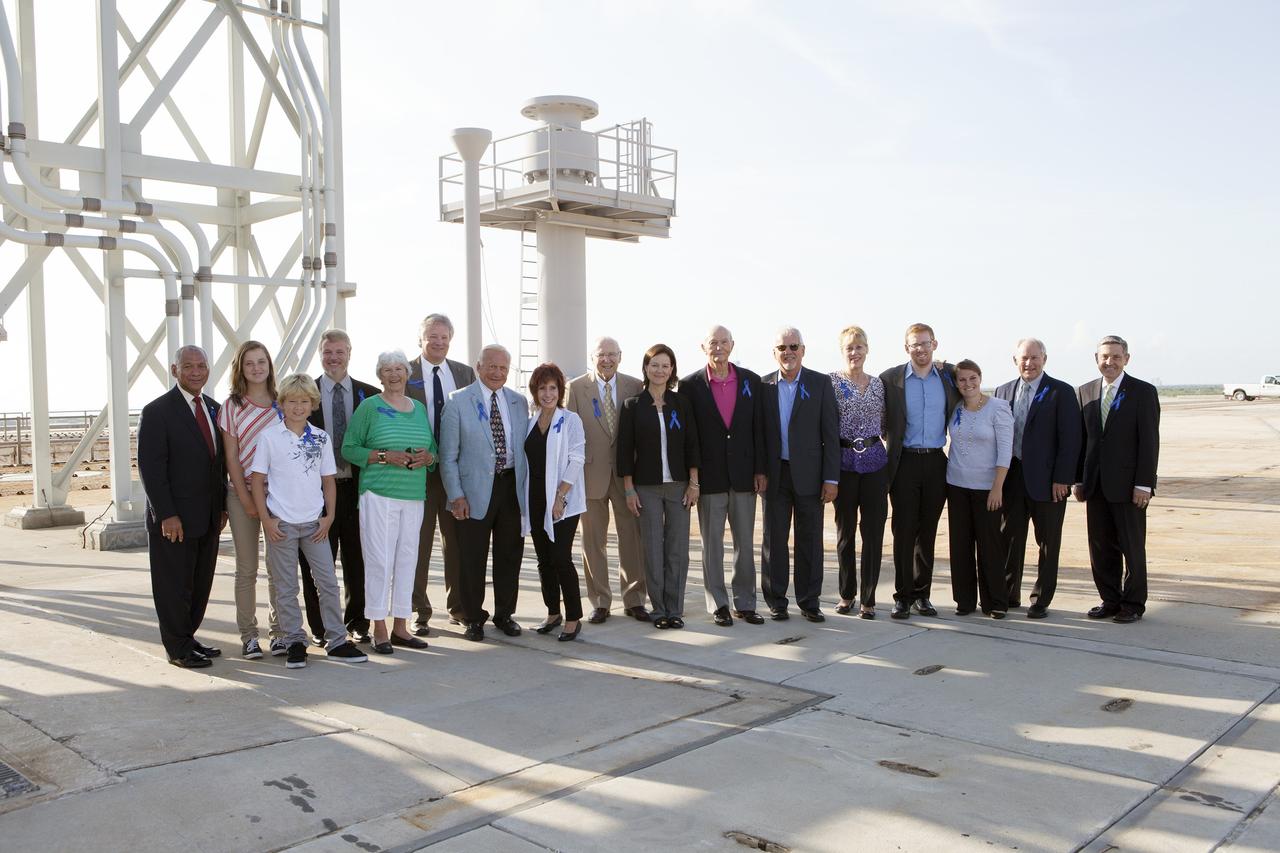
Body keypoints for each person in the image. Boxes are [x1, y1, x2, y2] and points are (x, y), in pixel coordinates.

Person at [249, 374, 368, 668]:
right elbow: (257, 480)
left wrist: (329, 517)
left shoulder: (321, 438)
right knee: (286, 586)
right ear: (282, 404)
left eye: (304, 401)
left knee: (328, 583)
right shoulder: (269, 437)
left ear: (312, 404)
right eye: (292, 401)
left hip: (315, 524)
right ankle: (294, 642)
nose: (298, 407)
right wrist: (267, 520)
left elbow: (328, 480)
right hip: (282, 524)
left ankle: (337, 641)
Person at [137, 345, 228, 668]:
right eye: (187, 366)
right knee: (173, 584)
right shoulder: (157, 411)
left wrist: (222, 508)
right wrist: (166, 514)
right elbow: (151, 468)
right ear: (174, 370)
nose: (195, 371)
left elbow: (218, 465)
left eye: (201, 365)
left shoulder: (216, 409)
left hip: (208, 516)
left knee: (199, 583)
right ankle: (177, 648)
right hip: (174, 518)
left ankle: (188, 637)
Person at [341, 350, 436, 654]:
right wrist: (385, 456)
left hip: (413, 495)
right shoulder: (369, 407)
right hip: (379, 495)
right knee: (380, 561)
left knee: (408, 560)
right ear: (379, 375)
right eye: (387, 370)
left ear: (408, 374)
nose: (394, 375)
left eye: (399, 369)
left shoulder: (419, 408)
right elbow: (349, 448)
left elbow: (433, 451)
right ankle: (379, 627)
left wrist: (428, 458)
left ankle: (401, 627)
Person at [439, 344, 530, 642]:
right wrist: (456, 496)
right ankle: (473, 618)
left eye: (503, 368)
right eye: (492, 366)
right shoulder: (458, 401)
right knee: (471, 558)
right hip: (473, 490)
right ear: (478, 367)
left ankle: (505, 614)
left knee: (509, 555)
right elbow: (448, 455)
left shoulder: (518, 402)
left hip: (511, 488)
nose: (497, 373)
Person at [296, 330, 380, 644]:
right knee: (317, 562)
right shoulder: (306, 394)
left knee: (358, 559)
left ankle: (358, 621)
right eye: (328, 352)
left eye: (339, 352)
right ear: (321, 354)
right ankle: (320, 627)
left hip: (359, 490)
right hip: (316, 494)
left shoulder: (369, 396)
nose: (334, 358)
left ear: (349, 353)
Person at [680, 325, 767, 626]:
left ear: (733, 345)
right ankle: (718, 603)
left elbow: (758, 429)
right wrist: (693, 479)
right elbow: (689, 437)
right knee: (712, 545)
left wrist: (760, 470)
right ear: (703, 347)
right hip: (710, 478)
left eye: (724, 342)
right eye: (712, 343)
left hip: (744, 477)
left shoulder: (751, 382)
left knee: (745, 543)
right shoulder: (690, 385)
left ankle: (745, 602)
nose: (718, 348)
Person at [993, 338, 1081, 619]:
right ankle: (1009, 593)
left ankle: (1041, 598)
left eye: (1034, 358)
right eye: (1023, 358)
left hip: (1049, 481)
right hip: (1012, 478)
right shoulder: (1002, 391)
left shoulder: (1062, 392)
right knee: (1009, 538)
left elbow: (1071, 440)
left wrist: (1063, 479)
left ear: (1045, 358)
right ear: (1014, 360)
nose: (1029, 363)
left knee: (1048, 541)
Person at [1075, 335, 1160, 624]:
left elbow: (1149, 442)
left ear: (1126, 358)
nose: (1109, 362)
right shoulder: (1085, 392)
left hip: (1129, 487)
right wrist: (1078, 480)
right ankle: (1110, 599)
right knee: (1100, 547)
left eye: (1115, 356)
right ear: (1096, 358)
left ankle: (1133, 603)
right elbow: (1082, 441)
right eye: (1104, 357)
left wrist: (1144, 484)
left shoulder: (1143, 392)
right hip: (1095, 485)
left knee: (1132, 547)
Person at [565, 337, 649, 624]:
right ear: (593, 357)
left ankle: (635, 599)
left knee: (632, 540)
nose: (607, 360)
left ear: (621, 357)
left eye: (612, 355)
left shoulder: (635, 386)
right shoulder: (575, 388)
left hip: (627, 477)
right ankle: (600, 601)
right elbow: (570, 436)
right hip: (590, 476)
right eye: (601, 355)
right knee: (593, 543)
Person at [880, 323, 961, 620]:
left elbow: (968, 373)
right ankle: (902, 596)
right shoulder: (890, 379)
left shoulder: (948, 377)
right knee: (903, 530)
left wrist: (949, 365)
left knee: (927, 532)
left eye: (926, 343)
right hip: (904, 463)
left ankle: (921, 595)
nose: (921, 349)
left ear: (935, 344)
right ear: (906, 348)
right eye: (915, 344)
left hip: (937, 462)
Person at [617, 343, 700, 629]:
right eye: (655, 365)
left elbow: (692, 445)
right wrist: (629, 489)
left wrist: (693, 483)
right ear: (646, 368)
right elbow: (625, 451)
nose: (660, 370)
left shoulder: (682, 403)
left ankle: (675, 609)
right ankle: (659, 610)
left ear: (672, 370)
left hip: (679, 486)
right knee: (652, 549)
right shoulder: (632, 406)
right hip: (646, 487)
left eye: (666, 365)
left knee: (677, 549)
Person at [761, 327, 840, 622]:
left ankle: (809, 601)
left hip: (811, 476)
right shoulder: (764, 385)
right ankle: (776, 600)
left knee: (809, 540)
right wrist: (759, 471)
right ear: (774, 353)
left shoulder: (820, 384)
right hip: (775, 475)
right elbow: (759, 434)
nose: (788, 352)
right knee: (774, 539)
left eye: (794, 346)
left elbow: (830, 434)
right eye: (782, 347)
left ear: (803, 350)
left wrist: (831, 478)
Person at [406, 313, 476, 635]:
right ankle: (418, 611)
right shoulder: (403, 373)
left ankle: (458, 607)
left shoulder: (464, 373)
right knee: (418, 545)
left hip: (454, 473)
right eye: (432, 336)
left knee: (457, 542)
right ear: (420, 339)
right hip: (418, 472)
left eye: (443, 337)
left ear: (451, 339)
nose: (438, 342)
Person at [217, 340, 285, 659]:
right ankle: (248, 635)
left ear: (269, 365)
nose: (257, 368)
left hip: (278, 497)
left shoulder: (281, 403)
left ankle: (280, 632)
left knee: (278, 567)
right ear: (240, 368)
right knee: (247, 569)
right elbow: (231, 457)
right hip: (241, 494)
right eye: (250, 363)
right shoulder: (232, 406)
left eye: (262, 361)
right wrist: (245, 499)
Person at [522, 363, 588, 641]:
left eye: (552, 388)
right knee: (543, 560)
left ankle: (573, 616)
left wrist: (560, 496)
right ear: (535, 392)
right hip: (535, 498)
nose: (547, 394)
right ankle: (552, 612)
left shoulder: (570, 420)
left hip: (563, 499)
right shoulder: (530, 421)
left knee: (561, 557)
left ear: (560, 390)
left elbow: (577, 460)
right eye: (542, 388)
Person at [828, 325, 889, 619]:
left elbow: (889, 422)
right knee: (845, 533)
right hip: (844, 465)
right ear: (842, 351)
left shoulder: (879, 385)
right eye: (849, 348)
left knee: (874, 533)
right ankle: (847, 594)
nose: (855, 353)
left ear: (867, 350)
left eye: (859, 347)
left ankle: (869, 599)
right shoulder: (830, 383)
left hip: (876, 463)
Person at [946, 360, 1013, 618]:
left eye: (972, 378)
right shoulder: (956, 408)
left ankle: (995, 602)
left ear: (980, 378)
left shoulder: (998, 408)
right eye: (962, 379)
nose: (968, 384)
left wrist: (998, 487)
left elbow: (1005, 451)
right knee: (960, 545)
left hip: (987, 488)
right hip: (956, 485)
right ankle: (964, 600)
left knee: (989, 546)